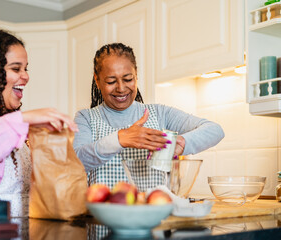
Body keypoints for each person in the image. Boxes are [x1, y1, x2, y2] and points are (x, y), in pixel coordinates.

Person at [73, 43, 225, 189]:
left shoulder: (159, 113)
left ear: (136, 75)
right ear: (97, 81)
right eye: (111, 81)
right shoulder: (86, 117)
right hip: (105, 211)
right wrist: (120, 139)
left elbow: (215, 130)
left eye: (128, 79)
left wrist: (182, 143)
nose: (121, 88)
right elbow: (76, 161)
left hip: (154, 209)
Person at [0, 29, 78, 217]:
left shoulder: (9, 118)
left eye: (26, 68)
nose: (26, 76)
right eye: (16, 69)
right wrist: (23, 119)